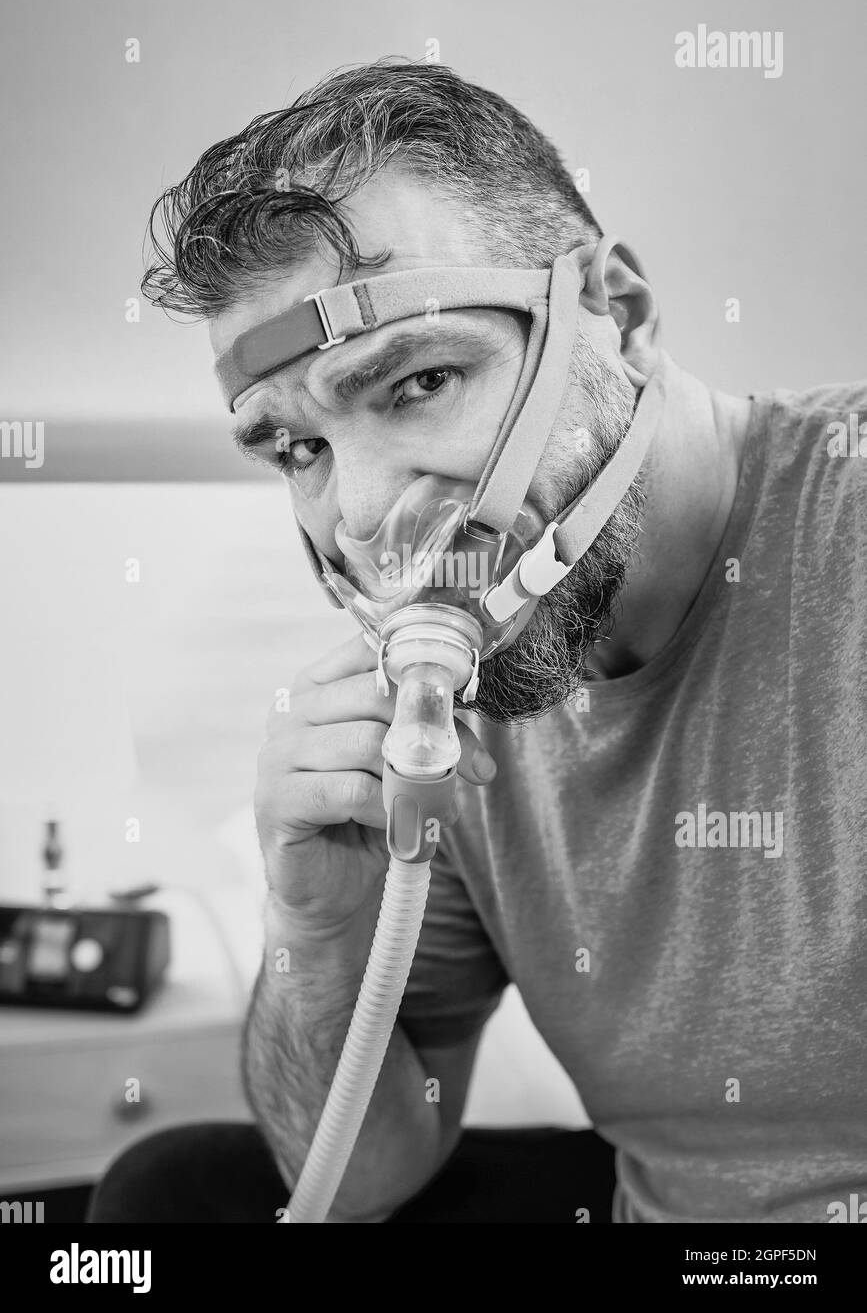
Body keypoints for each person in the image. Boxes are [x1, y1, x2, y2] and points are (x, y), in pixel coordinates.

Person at [89, 60, 866, 1223]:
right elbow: (355, 1178)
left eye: (421, 381)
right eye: (296, 449)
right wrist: (317, 927)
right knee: (168, 1199)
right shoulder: (466, 709)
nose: (360, 513)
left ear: (621, 316)